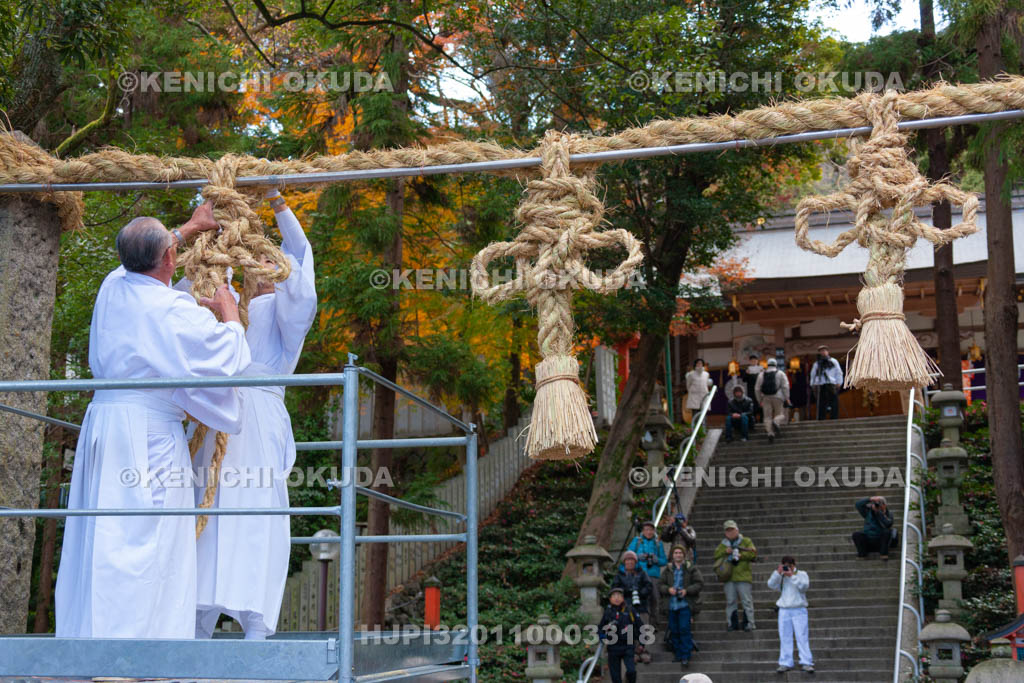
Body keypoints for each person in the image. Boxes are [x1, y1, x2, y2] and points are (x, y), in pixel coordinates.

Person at [55, 203, 252, 638]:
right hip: (148, 435)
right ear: (168, 260)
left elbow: (142, 262)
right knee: (151, 537)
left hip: (103, 426)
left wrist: (190, 228)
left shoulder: (113, 286)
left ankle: (93, 641)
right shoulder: (174, 311)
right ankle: (142, 646)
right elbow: (230, 358)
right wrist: (230, 313)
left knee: (104, 531)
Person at [191, 189, 317, 641]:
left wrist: (280, 205)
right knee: (209, 504)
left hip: (258, 419)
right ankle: (198, 616)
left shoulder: (282, 315)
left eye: (272, 265)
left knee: (255, 510)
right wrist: (212, 210)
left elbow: (301, 275)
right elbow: (200, 275)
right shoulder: (228, 302)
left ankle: (256, 620)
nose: (262, 271)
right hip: (217, 411)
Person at [768, 555, 814, 674]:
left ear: (794, 565)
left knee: (802, 636)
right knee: (784, 637)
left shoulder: (802, 574)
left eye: (790, 566)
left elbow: (804, 587)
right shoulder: (781, 576)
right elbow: (771, 585)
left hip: (799, 609)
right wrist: (777, 573)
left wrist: (792, 576)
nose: (788, 568)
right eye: (786, 566)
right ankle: (785, 662)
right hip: (784, 609)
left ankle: (806, 662)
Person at [660, 545, 704, 668]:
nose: (678, 555)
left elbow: (699, 583)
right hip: (671, 605)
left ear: (684, 555)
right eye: (675, 553)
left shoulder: (691, 568)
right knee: (674, 630)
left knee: (684, 629)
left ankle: (685, 656)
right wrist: (669, 589)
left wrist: (687, 590)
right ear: (672, 555)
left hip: (685, 604)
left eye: (680, 553)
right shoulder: (668, 569)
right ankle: (678, 654)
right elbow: (660, 585)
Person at [712, 520, 758, 632]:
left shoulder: (746, 541)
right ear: (725, 533)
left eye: (732, 529)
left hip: (743, 576)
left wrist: (741, 555)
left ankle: (750, 623)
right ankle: (732, 623)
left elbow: (753, 553)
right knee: (730, 601)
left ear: (737, 530)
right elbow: (716, 555)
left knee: (746, 601)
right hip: (729, 577)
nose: (730, 532)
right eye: (728, 530)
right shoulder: (723, 544)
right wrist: (725, 552)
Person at [612, 550, 654, 663]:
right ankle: (633, 652)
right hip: (626, 607)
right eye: (627, 560)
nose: (630, 562)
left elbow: (649, 586)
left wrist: (640, 592)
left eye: (632, 560)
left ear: (635, 562)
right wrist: (626, 592)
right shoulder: (619, 575)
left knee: (644, 628)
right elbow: (614, 590)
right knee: (629, 630)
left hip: (641, 606)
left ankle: (644, 651)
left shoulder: (642, 573)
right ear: (624, 562)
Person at [598, 586, 640, 683]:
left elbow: (640, 625)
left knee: (631, 671)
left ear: (623, 598)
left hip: (628, 645)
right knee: (615, 677)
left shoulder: (630, 610)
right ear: (610, 599)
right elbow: (600, 627)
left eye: (619, 596)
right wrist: (601, 635)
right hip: (613, 646)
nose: (617, 598)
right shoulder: (608, 612)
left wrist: (641, 643)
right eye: (614, 596)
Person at [627, 520, 667, 621]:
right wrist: (638, 557)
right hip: (639, 575)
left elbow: (664, 561)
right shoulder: (637, 541)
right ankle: (644, 624)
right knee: (642, 599)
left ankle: (654, 623)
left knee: (655, 599)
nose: (648, 532)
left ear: (654, 531)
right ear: (643, 531)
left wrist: (656, 560)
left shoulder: (658, 543)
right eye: (646, 530)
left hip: (654, 575)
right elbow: (628, 555)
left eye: (651, 530)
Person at [755, 358, 790, 443]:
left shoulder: (761, 374)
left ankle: (770, 433)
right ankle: (776, 421)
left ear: (767, 365)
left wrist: (759, 400)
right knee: (781, 414)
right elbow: (785, 386)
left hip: (765, 397)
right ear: (775, 364)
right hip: (778, 397)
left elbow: (757, 389)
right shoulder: (780, 373)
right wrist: (787, 398)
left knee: (767, 417)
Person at [852, 495, 893, 560]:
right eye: (876, 504)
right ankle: (862, 554)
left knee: (887, 532)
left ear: (884, 505)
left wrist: (879, 513)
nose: (878, 505)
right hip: (868, 540)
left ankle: (884, 554)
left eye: (880, 503)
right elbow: (858, 505)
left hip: (880, 542)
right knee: (856, 534)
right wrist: (871, 499)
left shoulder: (888, 514)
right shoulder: (868, 512)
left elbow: (888, 524)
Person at [810, 344, 843, 420]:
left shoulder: (833, 361)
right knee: (821, 402)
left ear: (827, 351)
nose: (823, 352)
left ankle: (834, 417)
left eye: (824, 350)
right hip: (821, 384)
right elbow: (813, 374)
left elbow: (839, 372)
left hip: (831, 383)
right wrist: (813, 384)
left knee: (833, 401)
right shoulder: (817, 363)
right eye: (821, 351)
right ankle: (821, 418)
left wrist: (839, 382)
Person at [684, 358, 713, 423]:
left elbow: (707, 384)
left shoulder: (706, 374)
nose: (699, 364)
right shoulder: (691, 374)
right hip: (694, 396)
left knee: (703, 414)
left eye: (701, 363)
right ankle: (695, 429)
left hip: (704, 395)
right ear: (695, 365)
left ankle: (703, 429)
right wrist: (692, 391)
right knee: (695, 414)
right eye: (698, 363)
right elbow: (688, 385)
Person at [744, 354, 763, 420]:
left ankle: (762, 419)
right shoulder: (747, 369)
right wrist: (747, 374)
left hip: (760, 390)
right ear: (750, 361)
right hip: (751, 390)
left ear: (757, 361)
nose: (753, 362)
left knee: (761, 403)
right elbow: (744, 380)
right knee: (752, 404)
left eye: (755, 360)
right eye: (752, 361)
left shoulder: (761, 368)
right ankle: (753, 419)